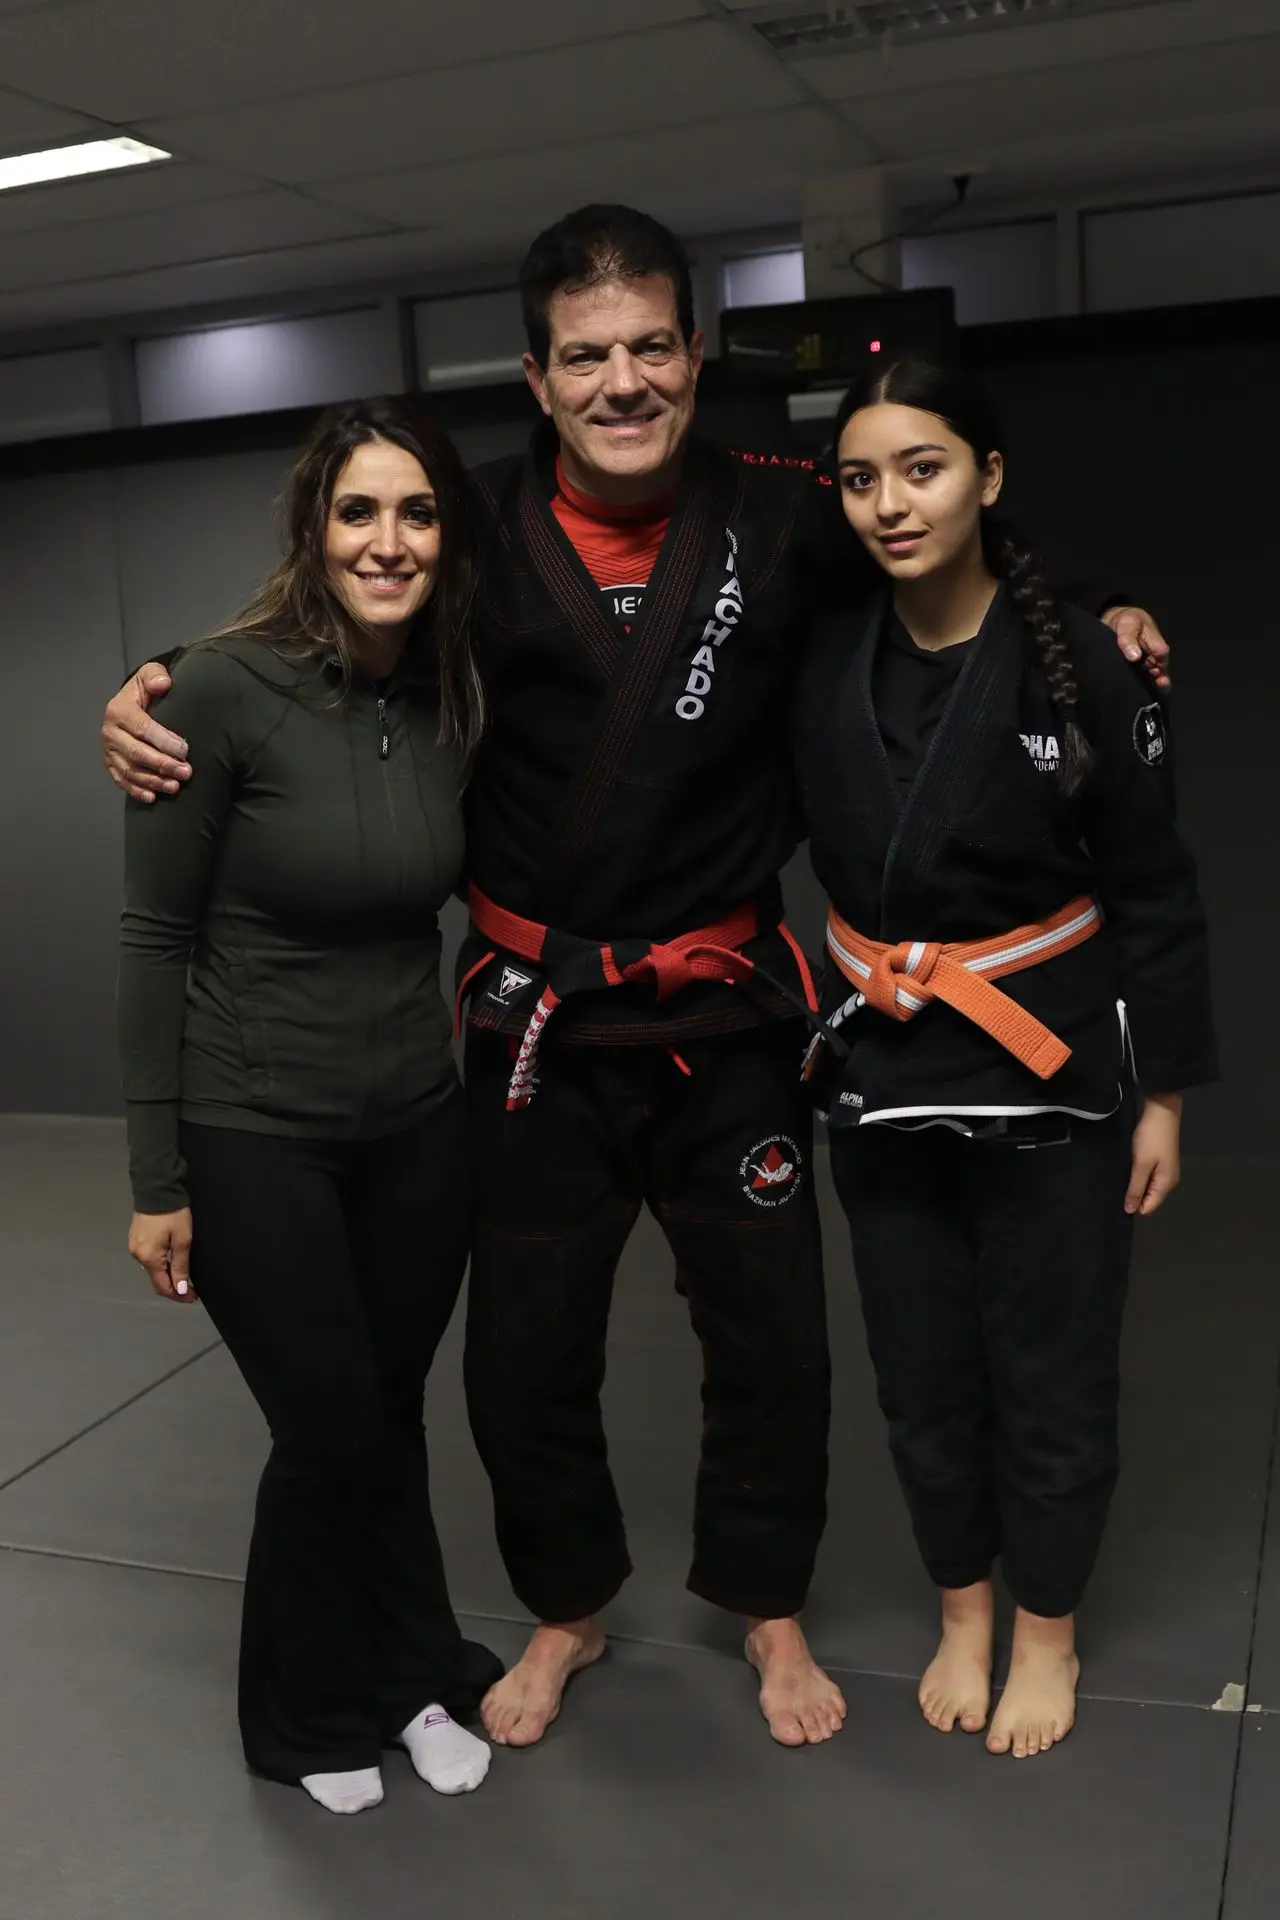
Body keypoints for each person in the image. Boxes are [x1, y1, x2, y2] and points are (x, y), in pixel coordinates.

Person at [101, 205, 1171, 1754]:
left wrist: (1103, 611)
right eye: (585, 355)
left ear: (692, 355)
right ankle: (567, 1610)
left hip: (729, 1006)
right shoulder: (463, 534)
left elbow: (940, 552)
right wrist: (143, 690)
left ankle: (769, 1606)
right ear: (536, 378)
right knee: (526, 1353)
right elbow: (321, 635)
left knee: (773, 1344)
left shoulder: (786, 515)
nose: (623, 381)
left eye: (651, 347)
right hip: (539, 1023)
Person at [793, 359, 1216, 1760]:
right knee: (920, 1377)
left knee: (1051, 1375)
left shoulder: (1083, 659)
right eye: (861, 478)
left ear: (988, 475)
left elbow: (1152, 885)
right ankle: (962, 1612)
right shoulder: (825, 654)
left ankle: (1048, 1632)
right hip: (887, 1084)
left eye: (922, 468)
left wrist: (1160, 1091)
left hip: (1053, 1085)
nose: (890, 503)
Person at [117, 397, 502, 1814]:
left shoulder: (453, 690)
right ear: (311, 527)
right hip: (252, 1121)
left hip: (414, 1120)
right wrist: (159, 1175)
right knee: (330, 1427)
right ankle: (303, 1712)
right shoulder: (213, 692)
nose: (387, 541)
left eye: (415, 512)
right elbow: (153, 937)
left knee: (389, 1418)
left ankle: (410, 1675)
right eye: (358, 512)